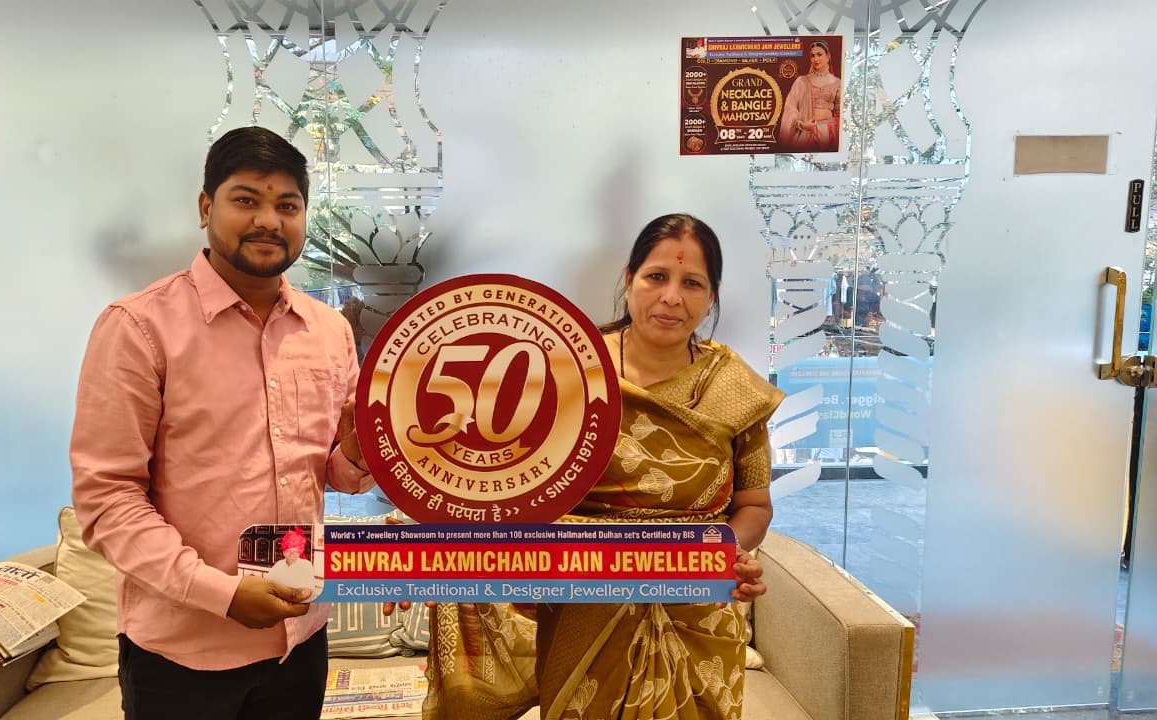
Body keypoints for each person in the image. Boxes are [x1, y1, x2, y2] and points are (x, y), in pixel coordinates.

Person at [417, 213, 783, 720]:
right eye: (657, 276)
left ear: (712, 296)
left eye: (692, 283)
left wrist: (726, 552)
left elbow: (755, 506)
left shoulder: (735, 387)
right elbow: (500, 487)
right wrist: (438, 551)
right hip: (583, 605)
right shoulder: (567, 371)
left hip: (694, 610)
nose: (671, 297)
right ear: (629, 280)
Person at [70, 126, 374, 720]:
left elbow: (329, 472)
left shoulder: (329, 330)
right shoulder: (139, 327)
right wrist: (223, 593)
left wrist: (360, 452)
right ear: (206, 206)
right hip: (183, 654)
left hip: (300, 639)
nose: (268, 220)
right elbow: (108, 499)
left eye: (288, 206)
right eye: (246, 200)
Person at [778, 40, 841, 152]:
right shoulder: (802, 81)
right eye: (812, 56)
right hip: (805, 133)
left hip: (829, 134)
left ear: (828, 56)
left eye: (819, 54)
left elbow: (841, 112)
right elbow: (790, 108)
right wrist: (801, 125)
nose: (815, 59)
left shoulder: (837, 83)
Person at [266, 527, 318, 594]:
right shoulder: (279, 564)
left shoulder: (306, 565)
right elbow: (268, 580)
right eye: (288, 551)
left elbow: (310, 588)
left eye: (295, 551)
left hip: (297, 597)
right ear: (284, 553)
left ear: (299, 553)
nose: (292, 554)